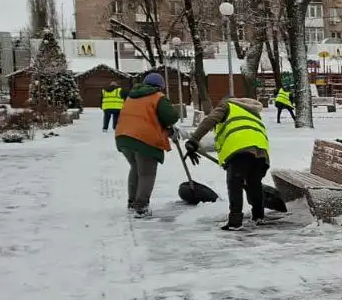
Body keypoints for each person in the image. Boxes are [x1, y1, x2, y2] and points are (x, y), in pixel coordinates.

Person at [184, 96, 271, 231]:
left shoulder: (227, 105)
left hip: (240, 148)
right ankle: (258, 216)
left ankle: (235, 222)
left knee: (235, 183)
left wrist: (194, 140)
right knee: (254, 184)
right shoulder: (251, 112)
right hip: (261, 152)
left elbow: (210, 120)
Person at [115, 73, 179, 217]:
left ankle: (132, 202)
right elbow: (171, 117)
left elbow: (146, 116)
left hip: (123, 137)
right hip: (144, 139)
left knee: (135, 168)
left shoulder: (132, 96)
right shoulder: (158, 97)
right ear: (160, 86)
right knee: (146, 174)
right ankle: (141, 207)